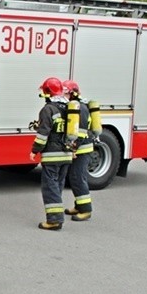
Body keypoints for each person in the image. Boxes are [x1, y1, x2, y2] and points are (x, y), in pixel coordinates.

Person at [30, 77, 74, 231]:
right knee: (58, 186)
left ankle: (54, 220)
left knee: (50, 186)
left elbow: (43, 134)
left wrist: (35, 150)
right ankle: (56, 214)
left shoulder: (48, 109)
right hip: (67, 153)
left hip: (52, 154)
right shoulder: (70, 107)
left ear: (47, 92)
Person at [62, 80, 95, 221]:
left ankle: (86, 210)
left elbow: (80, 133)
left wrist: (74, 148)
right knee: (75, 177)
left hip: (82, 149)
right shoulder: (77, 106)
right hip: (80, 148)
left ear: (72, 93)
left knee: (78, 177)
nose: (63, 95)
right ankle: (79, 206)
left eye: (65, 93)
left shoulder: (80, 109)